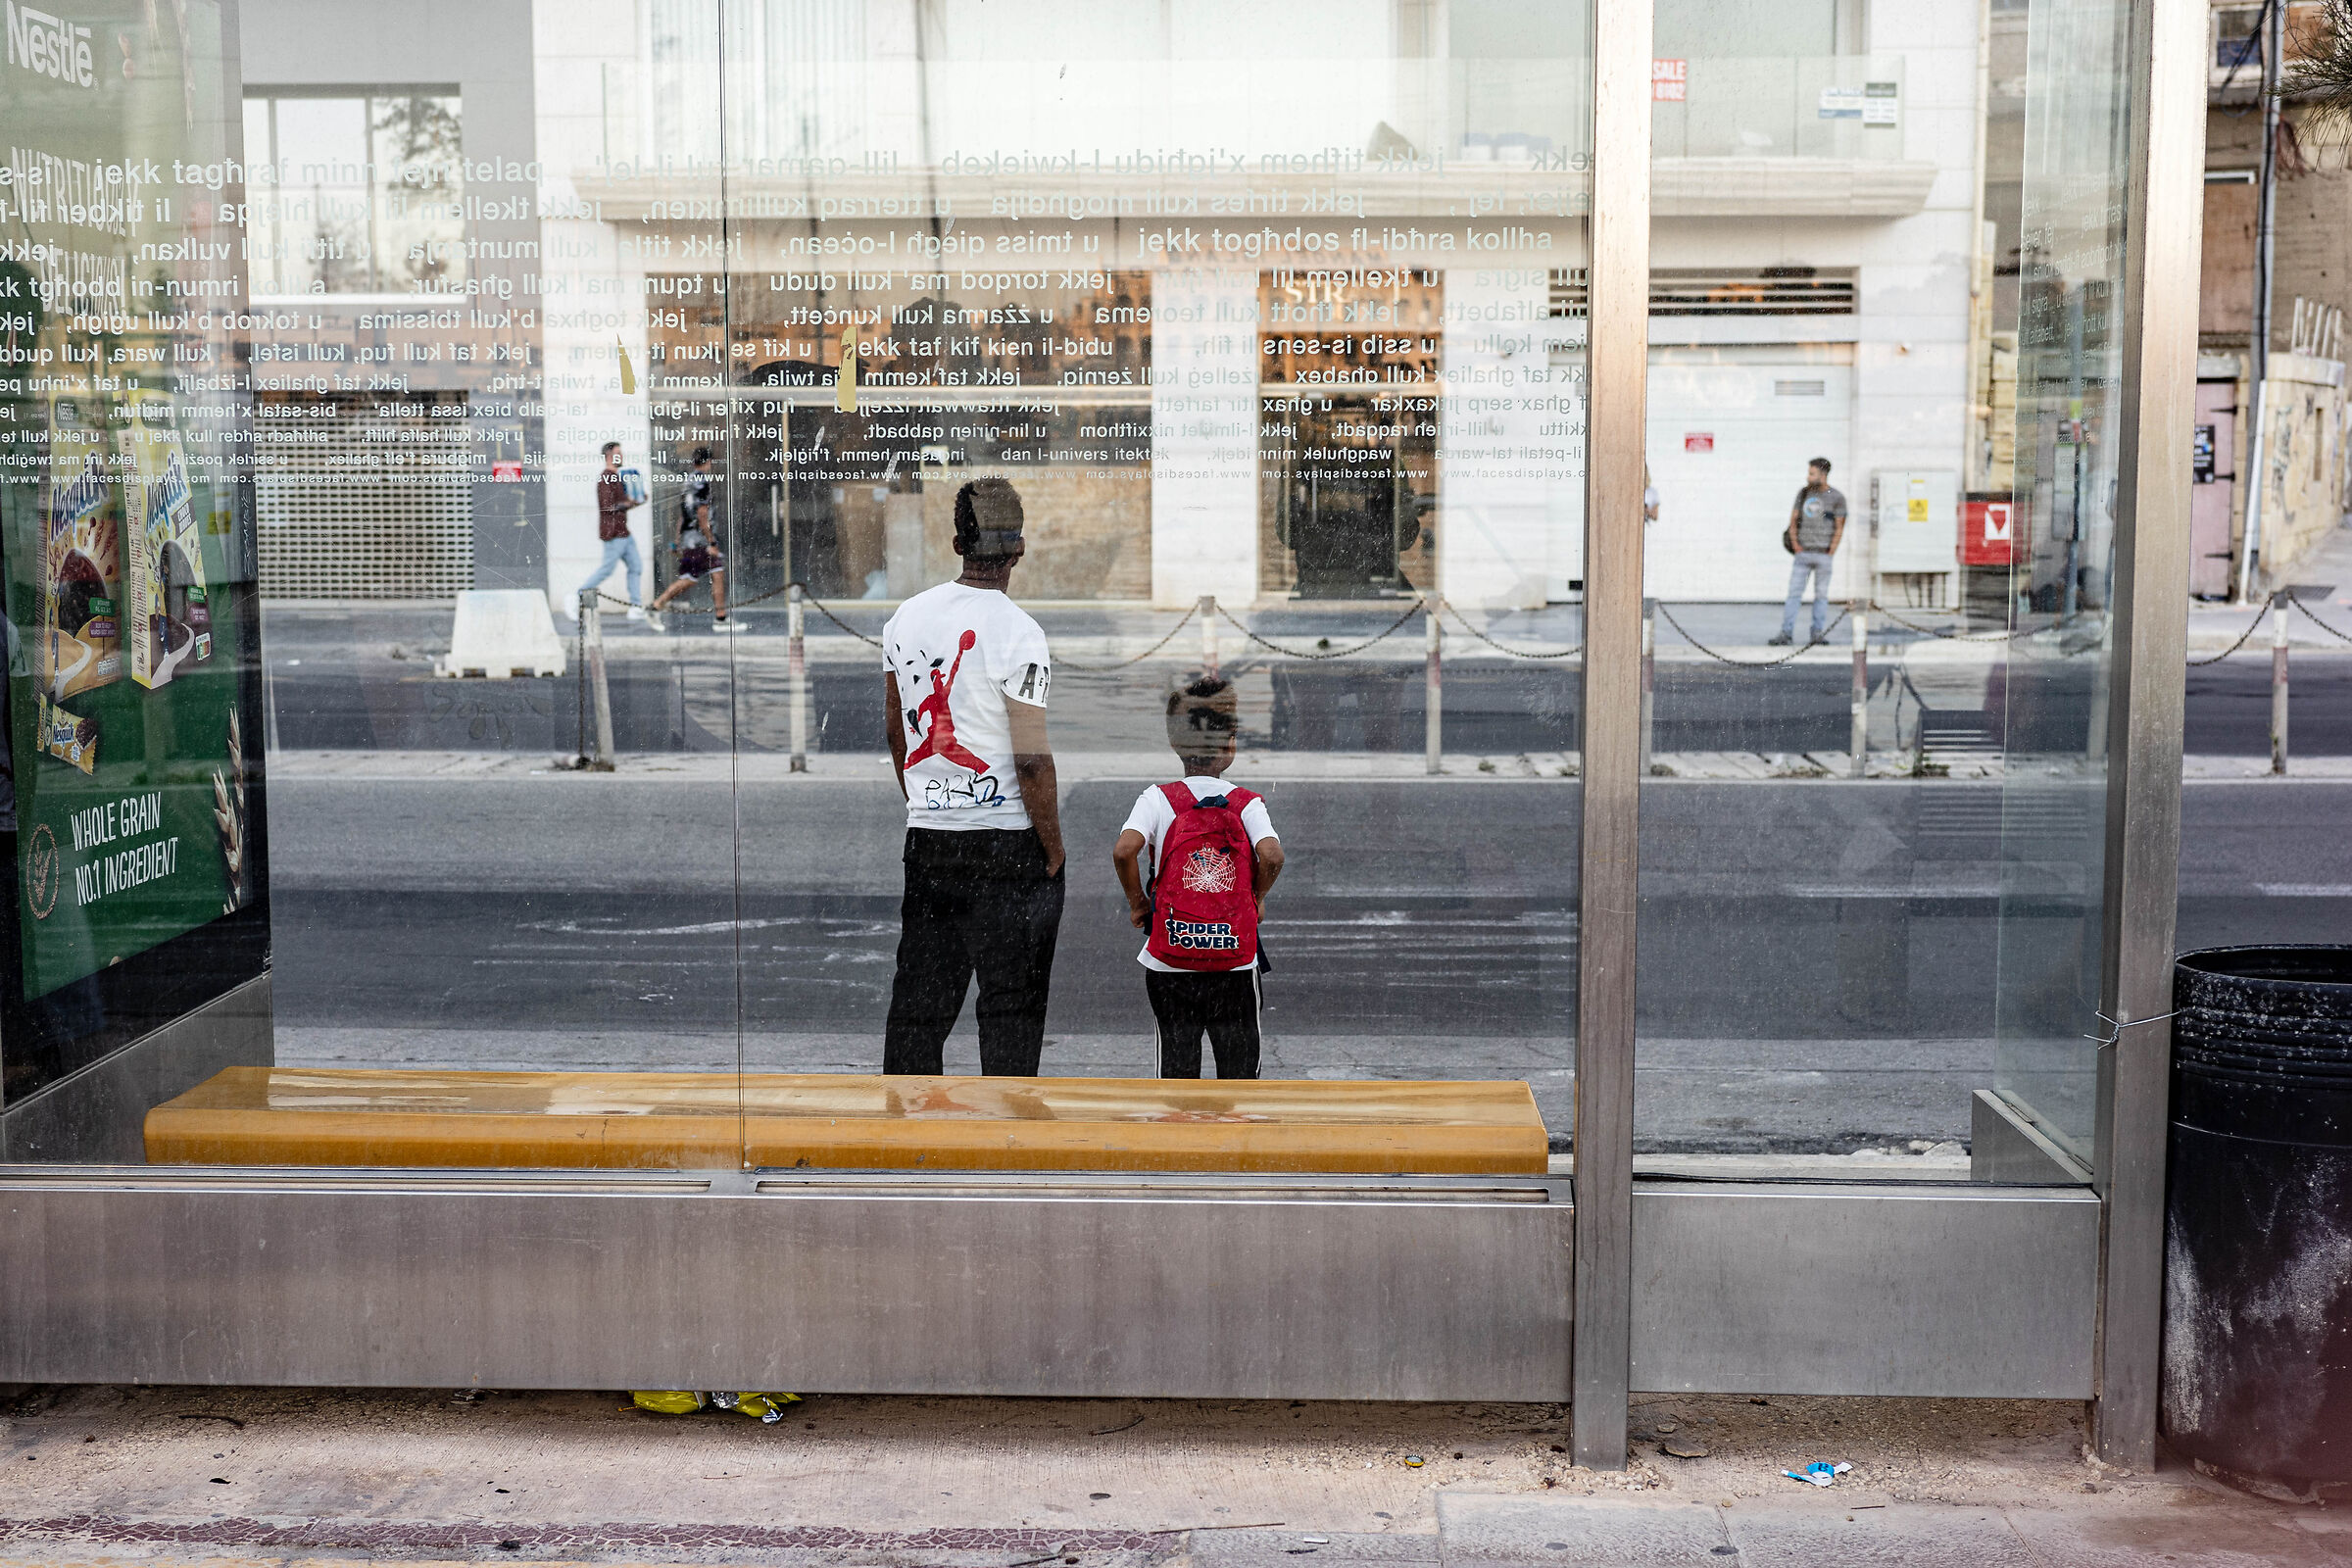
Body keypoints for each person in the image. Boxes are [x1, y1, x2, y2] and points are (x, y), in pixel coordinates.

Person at [880, 477, 1064, 1076]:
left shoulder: (907, 618)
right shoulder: (1019, 631)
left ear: (958, 542)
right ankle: (1005, 1139)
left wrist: (929, 803)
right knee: (1010, 1002)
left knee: (919, 1002)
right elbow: (1031, 758)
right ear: (1018, 550)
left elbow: (896, 732)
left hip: (930, 837)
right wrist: (1053, 848)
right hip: (1006, 844)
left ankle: (907, 1134)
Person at [1112, 676, 1284, 1080]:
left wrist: (1138, 902)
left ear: (1176, 745)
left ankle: (1179, 1137)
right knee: (1239, 1074)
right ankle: (1234, 1139)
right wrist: (1257, 897)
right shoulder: (1246, 803)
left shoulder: (1157, 798)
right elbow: (1272, 855)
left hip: (1171, 956)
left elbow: (1124, 850)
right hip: (1234, 963)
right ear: (1231, 745)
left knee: (1177, 1071)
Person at [648, 447, 730, 631]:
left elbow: (682, 515)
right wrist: (712, 542)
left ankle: (721, 618)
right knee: (690, 578)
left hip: (689, 539)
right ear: (708, 462)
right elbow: (702, 515)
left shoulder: (688, 482)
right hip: (699, 541)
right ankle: (656, 606)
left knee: (716, 573)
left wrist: (678, 540)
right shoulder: (702, 483)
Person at [1770, 456, 1847, 646]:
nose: (1808, 476)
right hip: (1803, 554)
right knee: (1794, 595)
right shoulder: (1803, 494)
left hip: (1823, 555)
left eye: (1812, 473)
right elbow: (1793, 520)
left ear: (1823, 474)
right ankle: (1786, 634)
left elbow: (1839, 526)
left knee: (1821, 596)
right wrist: (1796, 545)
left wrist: (1831, 551)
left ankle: (1817, 634)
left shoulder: (1837, 497)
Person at [577, 441, 647, 620]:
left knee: (636, 566)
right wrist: (630, 503)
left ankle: (636, 606)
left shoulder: (617, 477)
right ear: (609, 456)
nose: (621, 456)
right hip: (614, 533)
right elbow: (607, 506)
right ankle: (578, 595)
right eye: (618, 453)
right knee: (607, 569)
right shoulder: (606, 478)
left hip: (623, 531)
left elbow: (620, 505)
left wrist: (636, 501)